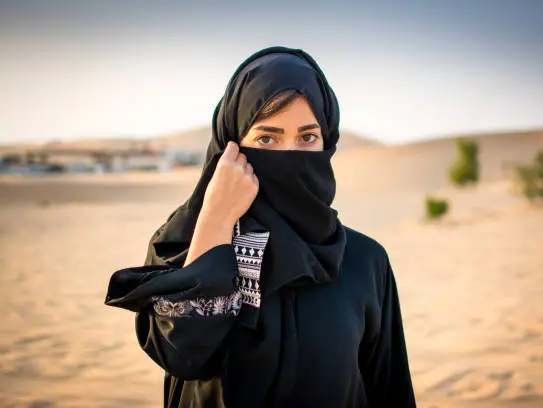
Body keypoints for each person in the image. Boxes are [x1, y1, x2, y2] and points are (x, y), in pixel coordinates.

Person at [104, 46, 417, 408]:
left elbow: (388, 387)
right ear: (231, 146)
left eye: (307, 138)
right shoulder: (182, 246)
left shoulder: (364, 260)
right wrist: (217, 219)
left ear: (327, 142)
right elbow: (182, 354)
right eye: (266, 139)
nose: (289, 155)